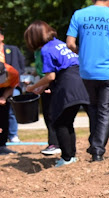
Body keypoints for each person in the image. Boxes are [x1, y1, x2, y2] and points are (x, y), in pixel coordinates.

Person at [66, 0, 109, 162]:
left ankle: (94, 143)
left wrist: (82, 53)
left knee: (93, 108)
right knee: (105, 111)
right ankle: (97, 149)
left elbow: (70, 43)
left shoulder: (79, 15)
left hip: (87, 71)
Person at [24, 21, 89, 167]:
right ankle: (71, 156)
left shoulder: (46, 49)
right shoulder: (59, 44)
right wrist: (41, 88)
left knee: (59, 121)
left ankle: (66, 158)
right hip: (80, 81)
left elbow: (50, 76)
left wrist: (32, 87)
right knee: (67, 121)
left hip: (67, 84)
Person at [0, 27, 26, 143]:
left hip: (11, 83)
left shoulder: (12, 51)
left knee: (11, 107)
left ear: (2, 37)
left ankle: (12, 134)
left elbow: (21, 66)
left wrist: (3, 97)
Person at [0, 61, 20, 155]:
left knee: (4, 117)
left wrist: (4, 97)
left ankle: (1, 146)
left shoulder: (13, 73)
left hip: (4, 90)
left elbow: (12, 87)